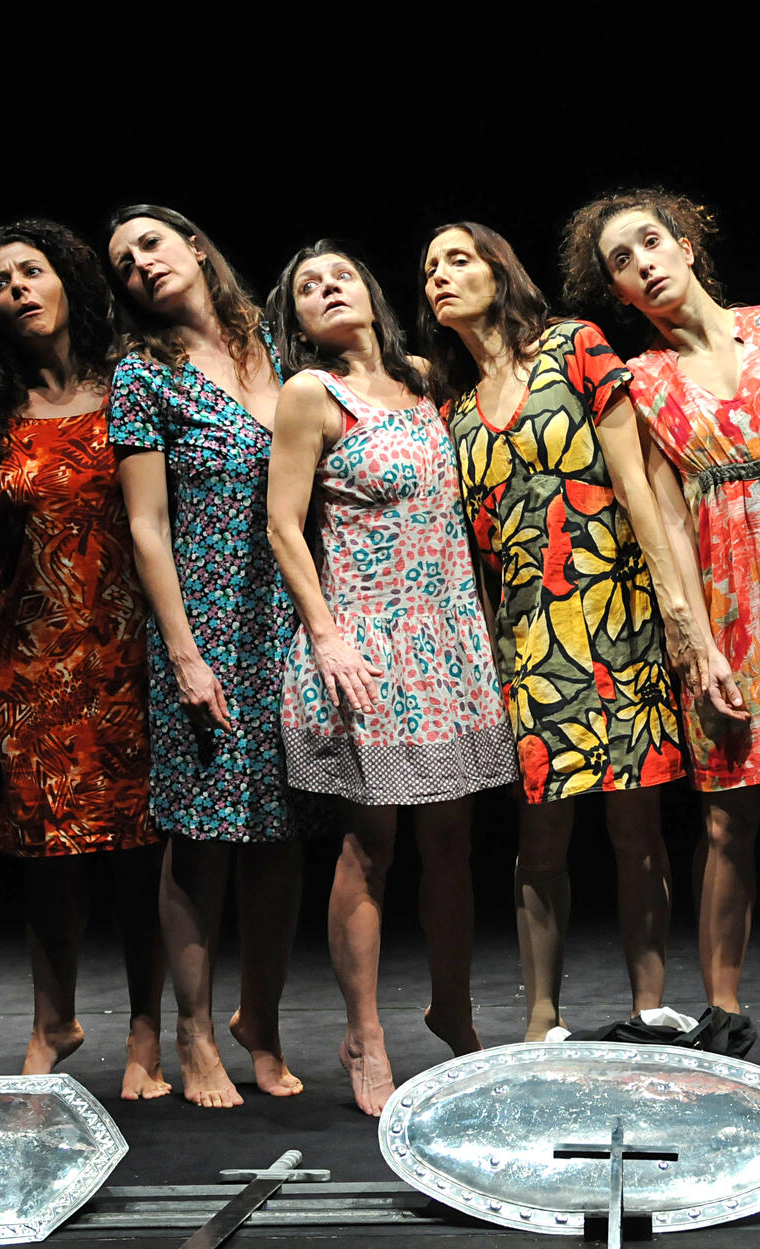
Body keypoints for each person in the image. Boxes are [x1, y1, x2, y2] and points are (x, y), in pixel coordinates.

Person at [560, 190, 760, 1094]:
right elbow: (664, 521)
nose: (644, 263)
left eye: (651, 241)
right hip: (728, 606)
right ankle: (726, 1019)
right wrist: (695, 641)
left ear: (687, 245)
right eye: (621, 261)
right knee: (729, 822)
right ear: (618, 292)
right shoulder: (642, 382)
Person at [418, 222, 708, 1042]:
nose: (440, 276)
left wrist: (676, 610)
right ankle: (542, 1017)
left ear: (499, 269)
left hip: (619, 615)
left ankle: (649, 1004)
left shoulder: (573, 346)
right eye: (430, 268)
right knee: (541, 834)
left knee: (637, 827)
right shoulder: (453, 412)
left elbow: (634, 481)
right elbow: (472, 556)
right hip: (529, 642)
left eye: (458, 259)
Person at [263, 242, 516, 1116]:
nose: (327, 289)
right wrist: (326, 637)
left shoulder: (424, 380)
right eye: (308, 287)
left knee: (453, 839)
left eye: (339, 275)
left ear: (371, 293)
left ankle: (453, 1009)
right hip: (370, 642)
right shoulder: (311, 394)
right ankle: (363, 1034)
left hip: (450, 639)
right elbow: (285, 525)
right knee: (371, 846)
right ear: (298, 321)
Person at [0, 219, 170, 1101]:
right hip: (36, 657)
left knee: (142, 848)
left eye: (31, 272)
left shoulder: (131, 386)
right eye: (0, 284)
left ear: (67, 281)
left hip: (132, 648)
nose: (19, 290)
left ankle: (146, 1034)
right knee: (47, 850)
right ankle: (53, 1022)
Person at [105, 205, 318, 1108]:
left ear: (194, 245)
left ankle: (259, 1021)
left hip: (292, 617)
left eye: (151, 243)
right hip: (206, 620)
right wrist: (184, 653)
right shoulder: (142, 374)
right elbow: (147, 526)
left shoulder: (277, 342)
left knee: (284, 831)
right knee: (203, 836)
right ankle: (193, 1034)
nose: (140, 264)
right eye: (124, 262)